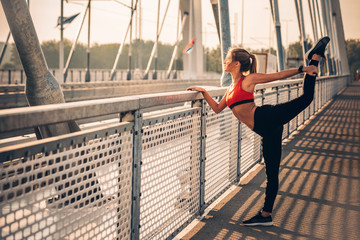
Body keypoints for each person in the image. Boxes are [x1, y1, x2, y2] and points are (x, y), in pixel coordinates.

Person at [186, 36, 330, 226]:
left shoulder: (249, 80)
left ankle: (313, 59)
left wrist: (302, 69)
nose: (224, 62)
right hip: (267, 130)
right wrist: (203, 92)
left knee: (306, 99)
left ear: (236, 64)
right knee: (272, 173)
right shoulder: (230, 88)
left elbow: (276, 76)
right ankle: (265, 215)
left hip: (267, 117)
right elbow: (218, 108)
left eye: (227, 59)